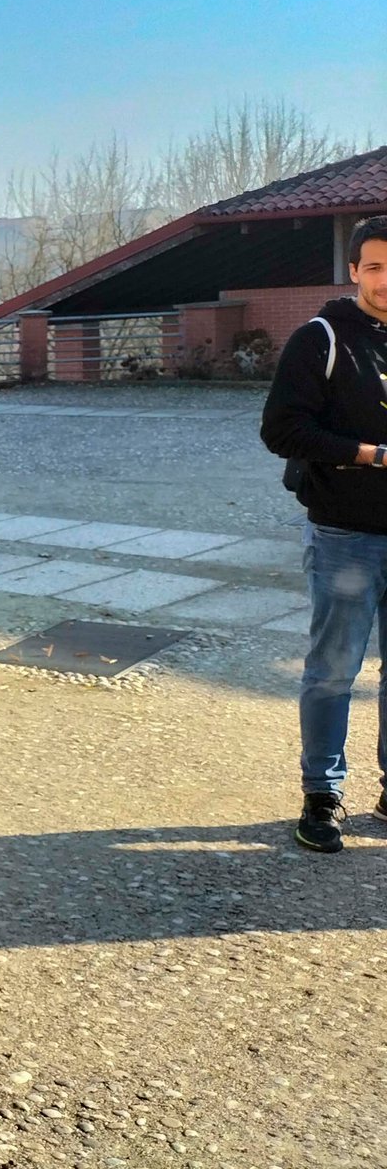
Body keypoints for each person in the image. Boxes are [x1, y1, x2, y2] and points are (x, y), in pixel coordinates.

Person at [260, 212, 387, 853]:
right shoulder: (322, 337)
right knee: (334, 671)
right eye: (376, 267)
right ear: (355, 270)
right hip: (346, 534)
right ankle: (322, 793)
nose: (386, 280)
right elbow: (281, 430)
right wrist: (372, 454)